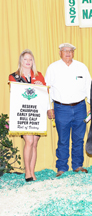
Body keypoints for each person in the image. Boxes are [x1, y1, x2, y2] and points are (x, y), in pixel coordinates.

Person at [45, 43, 91, 177]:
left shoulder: (81, 67)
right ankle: (61, 167)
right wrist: (49, 107)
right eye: (65, 51)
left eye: (70, 51)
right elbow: (47, 89)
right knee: (63, 139)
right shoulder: (53, 68)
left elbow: (89, 87)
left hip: (80, 107)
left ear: (73, 53)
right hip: (61, 108)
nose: (68, 53)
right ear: (60, 53)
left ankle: (77, 165)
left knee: (79, 139)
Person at [9, 49, 46, 182]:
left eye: (30, 59)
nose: (28, 62)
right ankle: (27, 172)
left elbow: (44, 93)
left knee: (34, 142)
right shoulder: (13, 76)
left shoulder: (39, 75)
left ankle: (32, 170)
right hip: (24, 113)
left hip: (36, 113)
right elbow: (15, 93)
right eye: (25, 59)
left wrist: (41, 86)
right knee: (29, 141)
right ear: (21, 61)